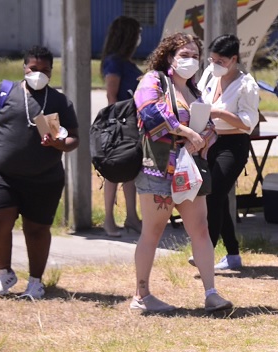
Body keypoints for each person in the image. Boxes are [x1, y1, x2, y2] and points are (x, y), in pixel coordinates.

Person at [0, 45, 80, 299]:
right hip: (2, 173)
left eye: (45, 70)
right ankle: (5, 272)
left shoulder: (59, 102)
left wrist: (59, 143)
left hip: (44, 178)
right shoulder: (3, 92)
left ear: (52, 72)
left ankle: (36, 281)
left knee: (37, 230)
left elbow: (74, 140)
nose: (39, 74)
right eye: (33, 69)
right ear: (24, 68)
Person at [131, 32, 232, 313]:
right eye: (184, 55)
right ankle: (141, 295)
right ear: (169, 57)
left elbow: (208, 124)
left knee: (200, 229)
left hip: (190, 170)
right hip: (158, 169)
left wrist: (201, 137)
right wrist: (186, 131)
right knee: (153, 230)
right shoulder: (153, 80)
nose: (190, 60)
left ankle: (211, 293)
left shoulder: (195, 90)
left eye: (194, 55)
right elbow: (150, 112)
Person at [195, 34, 259, 270]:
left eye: (221, 61)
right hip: (208, 142)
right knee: (216, 198)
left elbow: (247, 123)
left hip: (233, 145)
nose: (215, 65)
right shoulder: (209, 75)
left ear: (233, 59)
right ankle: (232, 253)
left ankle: (206, 250)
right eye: (212, 60)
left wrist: (219, 113)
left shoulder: (247, 85)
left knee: (214, 195)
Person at [100, 16, 144, 237]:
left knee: (129, 172)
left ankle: (132, 217)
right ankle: (108, 219)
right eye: (137, 33)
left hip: (132, 124)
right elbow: (111, 94)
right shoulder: (114, 62)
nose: (139, 38)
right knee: (113, 173)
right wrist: (118, 125)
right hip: (120, 124)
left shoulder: (125, 62)